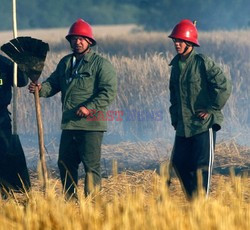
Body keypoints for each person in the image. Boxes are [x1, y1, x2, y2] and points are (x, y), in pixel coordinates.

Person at [28, 19, 117, 199]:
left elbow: (108, 92)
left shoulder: (101, 64)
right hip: (69, 124)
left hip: (91, 125)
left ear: (90, 41)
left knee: (91, 166)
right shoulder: (65, 63)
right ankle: (71, 200)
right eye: (74, 38)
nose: (78, 42)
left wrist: (88, 108)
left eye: (82, 38)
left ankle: (93, 203)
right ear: (70, 41)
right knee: (65, 163)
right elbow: (53, 84)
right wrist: (40, 89)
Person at [168, 19, 231, 199]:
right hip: (183, 126)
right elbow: (173, 96)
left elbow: (223, 85)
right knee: (178, 163)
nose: (176, 44)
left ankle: (200, 206)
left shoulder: (202, 62)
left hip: (203, 124)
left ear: (189, 42)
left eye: (180, 41)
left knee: (201, 167)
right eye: (175, 40)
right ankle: (193, 200)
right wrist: (175, 119)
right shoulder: (175, 67)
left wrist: (212, 108)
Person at [0, 52, 29, 196]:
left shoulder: (5, 64)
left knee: (3, 152)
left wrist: (20, 66)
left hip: (1, 117)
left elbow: (22, 82)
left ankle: (4, 190)